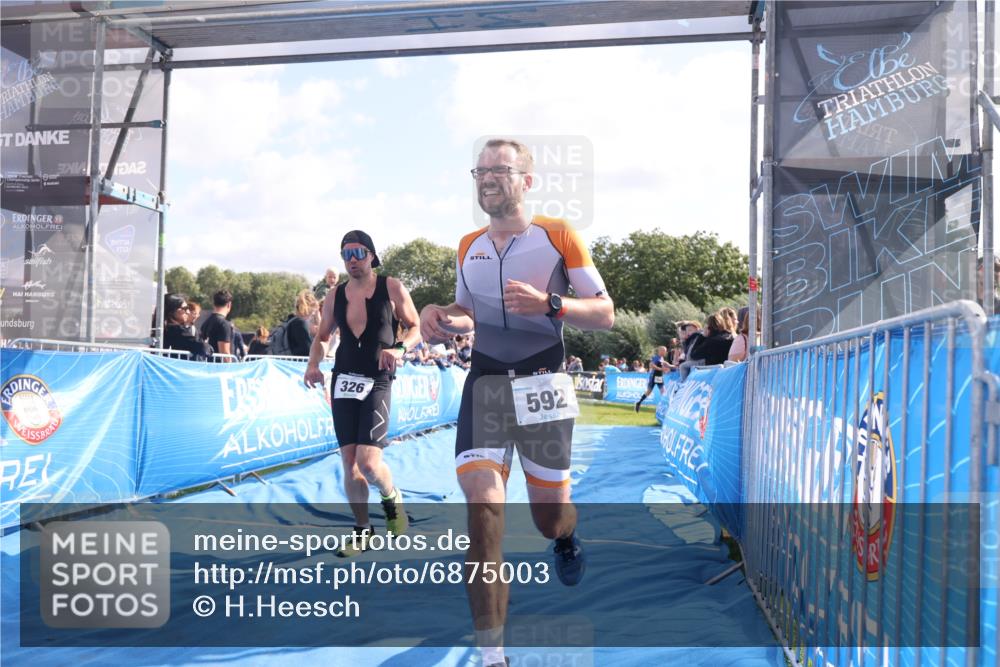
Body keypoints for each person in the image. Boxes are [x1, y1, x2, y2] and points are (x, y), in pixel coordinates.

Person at [419, 138, 614, 667]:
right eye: (479, 170)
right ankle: (493, 656)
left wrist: (550, 303)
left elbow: (605, 312)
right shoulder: (467, 245)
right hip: (485, 383)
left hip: (543, 382)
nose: (485, 178)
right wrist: (440, 316)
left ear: (526, 180)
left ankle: (567, 538)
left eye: (498, 170)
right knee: (483, 510)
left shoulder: (557, 236)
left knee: (549, 518)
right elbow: (468, 312)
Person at [303, 230, 421, 557]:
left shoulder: (391, 287)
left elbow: (415, 328)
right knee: (349, 462)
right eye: (346, 255)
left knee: (369, 463)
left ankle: (391, 496)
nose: (352, 261)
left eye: (358, 253)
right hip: (343, 379)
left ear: (371, 255)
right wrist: (314, 364)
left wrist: (398, 349)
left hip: (378, 378)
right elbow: (323, 335)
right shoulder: (334, 296)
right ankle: (362, 529)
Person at [161, 294, 212, 360]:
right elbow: (205, 348)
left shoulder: (163, 328)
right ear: (172, 311)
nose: (188, 312)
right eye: (184, 309)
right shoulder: (177, 331)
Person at [200, 289, 235, 361]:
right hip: (219, 369)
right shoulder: (224, 324)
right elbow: (224, 353)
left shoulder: (206, 322)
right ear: (229, 304)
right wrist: (230, 368)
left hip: (208, 366)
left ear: (214, 304)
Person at [635, 345, 670, 412]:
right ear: (660, 351)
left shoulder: (662, 358)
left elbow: (665, 365)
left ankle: (665, 408)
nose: (665, 352)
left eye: (665, 351)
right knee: (649, 392)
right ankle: (639, 403)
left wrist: (670, 368)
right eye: (664, 351)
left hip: (659, 377)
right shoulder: (656, 357)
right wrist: (661, 369)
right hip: (654, 376)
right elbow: (651, 365)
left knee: (663, 391)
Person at [287, 289, 319, 357]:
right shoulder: (301, 323)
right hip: (297, 365)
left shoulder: (292, 321)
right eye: (314, 310)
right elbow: (308, 350)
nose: (314, 313)